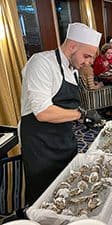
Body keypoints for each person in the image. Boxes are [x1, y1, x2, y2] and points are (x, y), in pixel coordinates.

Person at [20, 23, 101, 205]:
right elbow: (43, 112)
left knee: (66, 190)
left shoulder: (72, 70)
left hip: (64, 139)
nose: (88, 62)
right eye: (86, 56)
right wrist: (81, 115)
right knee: (44, 198)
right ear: (72, 46)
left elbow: (64, 109)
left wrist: (82, 118)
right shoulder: (41, 62)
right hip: (40, 145)